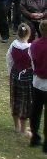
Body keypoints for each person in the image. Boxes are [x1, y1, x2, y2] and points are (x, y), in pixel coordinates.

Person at [7, 23, 34, 136]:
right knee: (25, 101)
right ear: (29, 34)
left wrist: (10, 72)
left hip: (15, 73)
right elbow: (33, 64)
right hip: (26, 76)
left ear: (18, 33)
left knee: (15, 99)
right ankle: (22, 129)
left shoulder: (13, 45)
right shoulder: (30, 48)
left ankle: (16, 126)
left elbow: (9, 59)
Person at [28, 20, 47, 150]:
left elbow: (32, 63)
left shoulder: (34, 45)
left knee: (35, 110)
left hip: (37, 82)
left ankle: (35, 137)